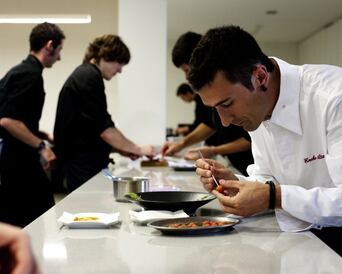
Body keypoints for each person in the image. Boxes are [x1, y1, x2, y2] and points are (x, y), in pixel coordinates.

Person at [190, 25, 342, 274]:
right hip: (318, 224)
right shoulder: (256, 110)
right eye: (214, 108)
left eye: (227, 103)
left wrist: (272, 196)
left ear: (260, 77)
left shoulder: (337, 96)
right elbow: (270, 177)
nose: (224, 121)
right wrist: (236, 184)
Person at [53, 35, 155, 192]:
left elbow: (90, 129)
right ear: (106, 56)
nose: (120, 70)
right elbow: (105, 130)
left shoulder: (86, 75)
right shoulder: (89, 77)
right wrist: (139, 149)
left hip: (81, 164)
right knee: (88, 212)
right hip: (82, 168)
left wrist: (123, 149)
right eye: (119, 63)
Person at [0, 22, 65, 227]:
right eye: (59, 50)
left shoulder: (19, 71)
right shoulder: (30, 75)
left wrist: (42, 135)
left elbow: (16, 117)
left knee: (26, 216)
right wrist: (41, 146)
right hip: (17, 160)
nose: (60, 57)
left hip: (13, 157)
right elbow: (8, 120)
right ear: (49, 45)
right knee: (36, 215)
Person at [162, 31, 253, 175]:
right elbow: (209, 124)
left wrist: (212, 150)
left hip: (253, 163)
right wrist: (181, 145)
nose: (187, 77)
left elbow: (249, 139)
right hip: (242, 168)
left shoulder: (235, 87)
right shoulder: (208, 96)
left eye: (187, 70)